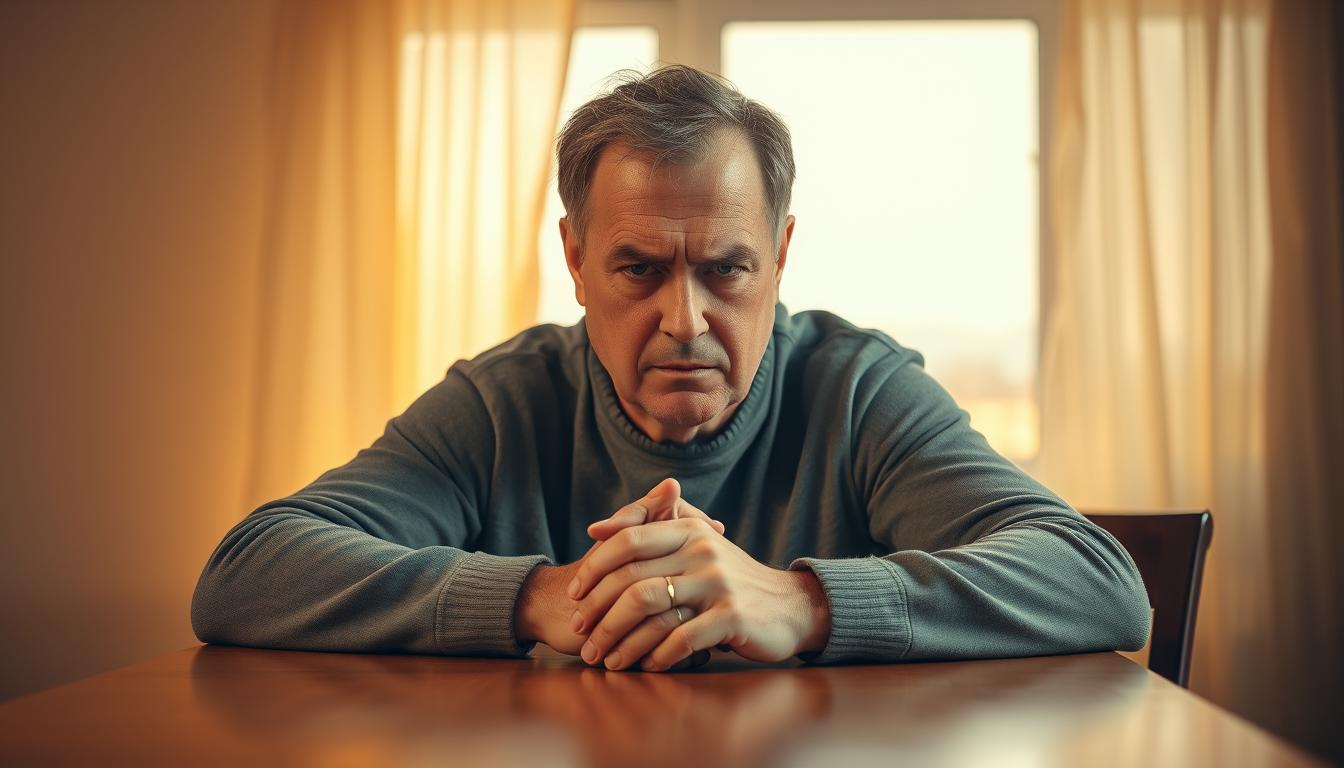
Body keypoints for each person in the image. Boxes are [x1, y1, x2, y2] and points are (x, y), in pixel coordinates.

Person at [191, 65, 1150, 673]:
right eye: (639, 269)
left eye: (726, 270)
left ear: (780, 256)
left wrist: (802, 602)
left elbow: (1100, 579)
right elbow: (244, 572)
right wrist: (543, 596)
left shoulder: (860, 393)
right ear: (575, 261)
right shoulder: (501, 403)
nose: (685, 321)